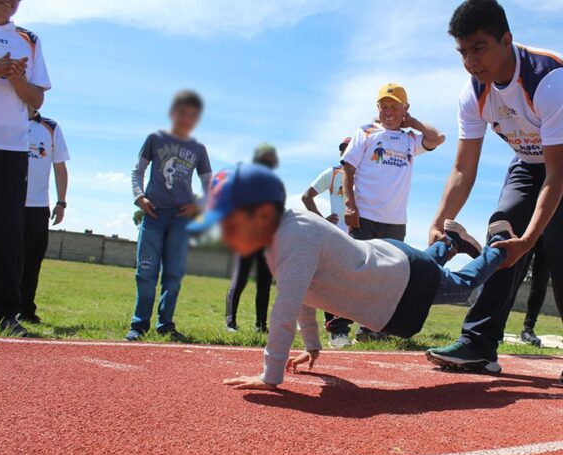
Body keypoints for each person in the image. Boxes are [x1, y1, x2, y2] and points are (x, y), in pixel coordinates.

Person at [426, 0, 563, 384]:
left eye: (479, 48)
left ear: (506, 39)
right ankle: (478, 343)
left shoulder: (551, 80)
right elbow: (464, 168)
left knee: (559, 246)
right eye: (463, 52)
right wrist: (436, 222)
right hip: (530, 161)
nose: (470, 61)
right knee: (501, 236)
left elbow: (558, 175)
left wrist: (530, 240)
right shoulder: (472, 93)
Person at [187, 165, 511, 390]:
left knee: (460, 288)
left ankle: (498, 247)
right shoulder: (281, 237)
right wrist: (313, 346)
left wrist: (270, 376)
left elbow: (285, 309)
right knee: (426, 264)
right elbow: (303, 294)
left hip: (398, 282)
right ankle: (450, 242)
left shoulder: (293, 237)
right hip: (391, 260)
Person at [341, 83, 446, 342]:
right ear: (377, 108)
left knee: (388, 277)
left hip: (395, 221)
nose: (388, 111)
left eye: (394, 106)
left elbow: (438, 138)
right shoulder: (366, 132)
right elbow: (348, 168)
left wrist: (413, 122)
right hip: (364, 215)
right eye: (383, 106)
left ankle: (369, 330)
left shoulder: (410, 139)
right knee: (356, 272)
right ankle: (338, 329)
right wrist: (349, 204)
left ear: (404, 109)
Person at [0, 0, 51, 336]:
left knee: (5, 232)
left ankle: (3, 312)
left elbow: (37, 100)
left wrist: (17, 81)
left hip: (12, 147)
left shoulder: (28, 39)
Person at [125, 90, 212, 342]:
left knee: (173, 274)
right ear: (173, 113)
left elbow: (208, 182)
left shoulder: (198, 148)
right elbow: (137, 172)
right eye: (183, 113)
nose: (187, 119)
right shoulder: (155, 139)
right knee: (146, 272)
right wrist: (139, 197)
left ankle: (165, 325)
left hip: (181, 219)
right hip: (153, 215)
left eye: (193, 116)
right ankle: (139, 325)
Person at [0, 108, 70, 324]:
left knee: (31, 260)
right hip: (2, 202)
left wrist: (61, 202)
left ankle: (25, 308)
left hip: (36, 206)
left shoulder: (51, 127)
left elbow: (60, 167)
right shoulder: (3, 121)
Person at [301, 137, 353, 348]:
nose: (345, 153)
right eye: (342, 150)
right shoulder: (332, 174)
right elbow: (307, 197)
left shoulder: (369, 174)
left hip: (364, 236)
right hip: (336, 236)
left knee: (354, 284)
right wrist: (322, 220)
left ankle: (368, 330)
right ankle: (337, 334)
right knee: (333, 283)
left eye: (349, 149)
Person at [224, 143, 279, 333]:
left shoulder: (276, 184)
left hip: (266, 240)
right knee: (240, 279)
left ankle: (261, 325)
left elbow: (278, 212)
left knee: (264, 284)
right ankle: (230, 322)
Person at [521, 239, 548, 347]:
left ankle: (528, 328)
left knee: (541, 279)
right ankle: (497, 326)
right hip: (526, 226)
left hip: (549, 230)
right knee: (516, 273)